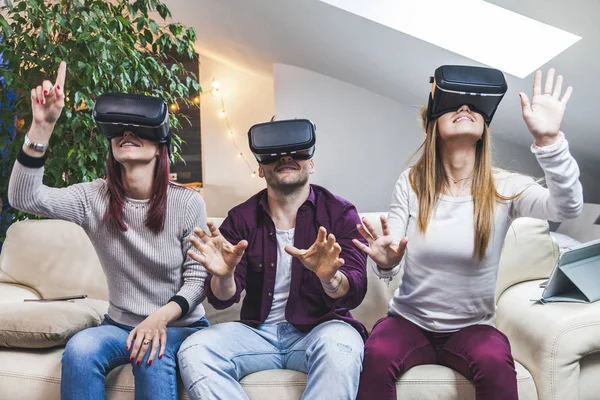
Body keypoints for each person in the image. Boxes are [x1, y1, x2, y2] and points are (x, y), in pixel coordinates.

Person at [354, 66, 584, 400]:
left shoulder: (505, 187)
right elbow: (390, 254)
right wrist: (387, 263)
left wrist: (549, 141)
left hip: (472, 329)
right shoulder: (411, 182)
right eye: (453, 104)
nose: (465, 108)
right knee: (375, 354)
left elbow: (567, 208)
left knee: (495, 360)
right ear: (433, 124)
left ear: (484, 127)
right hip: (408, 321)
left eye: (474, 106)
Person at [8, 61, 210, 400]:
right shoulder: (93, 198)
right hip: (118, 324)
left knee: (151, 354)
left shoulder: (188, 204)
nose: (127, 133)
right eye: (119, 130)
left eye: (138, 129)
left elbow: (198, 282)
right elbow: (24, 196)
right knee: (80, 350)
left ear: (161, 147)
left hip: (178, 326)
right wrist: (41, 128)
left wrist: (158, 319)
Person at [177, 119, 368, 400]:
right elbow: (222, 298)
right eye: (275, 154)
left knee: (342, 347)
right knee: (194, 350)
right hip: (258, 333)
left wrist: (330, 278)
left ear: (312, 164)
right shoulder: (241, 218)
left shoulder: (339, 213)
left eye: (297, 153)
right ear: (260, 168)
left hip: (320, 330)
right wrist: (224, 275)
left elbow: (355, 288)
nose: (286, 158)